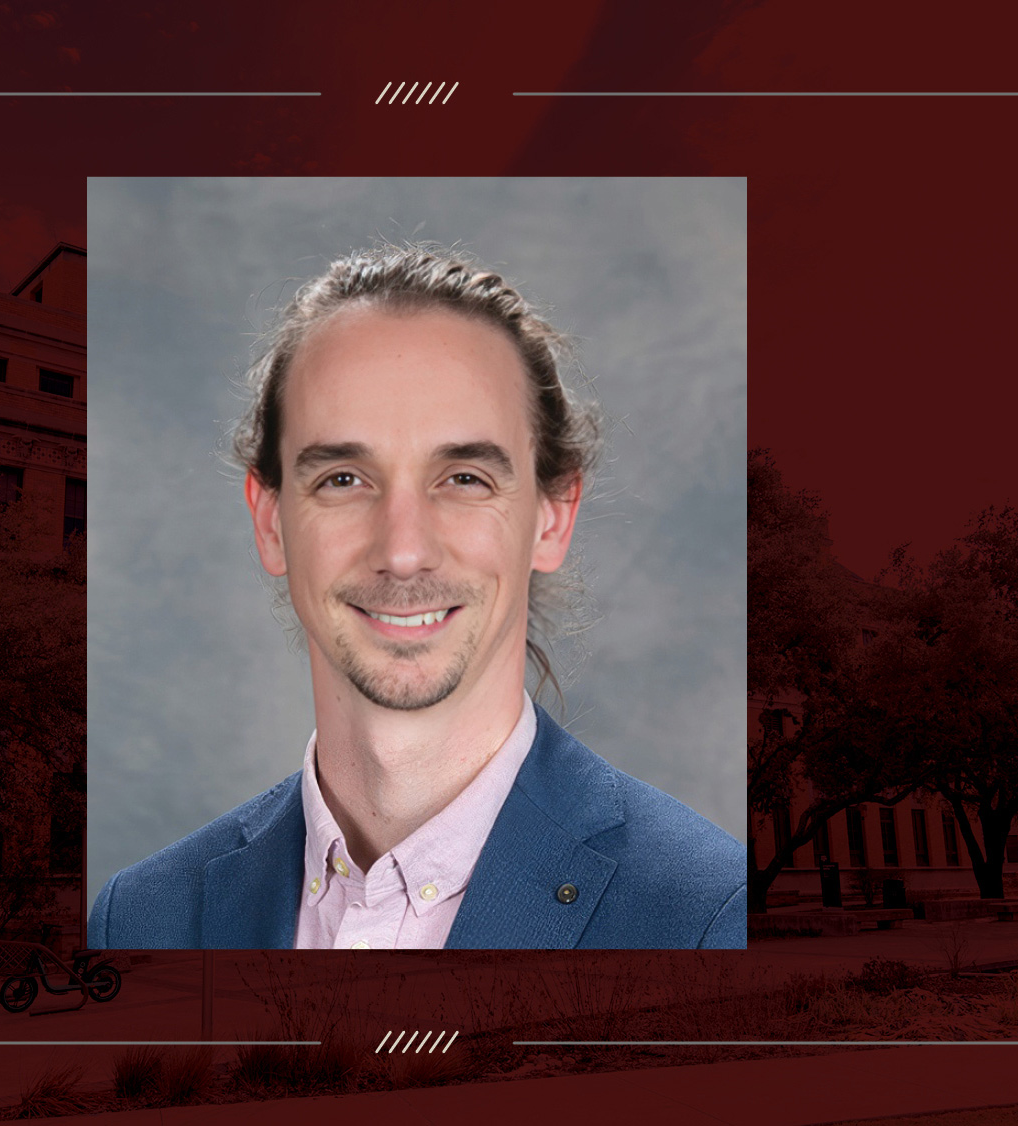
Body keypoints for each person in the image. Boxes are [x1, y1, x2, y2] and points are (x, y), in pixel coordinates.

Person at [89, 245, 746, 949]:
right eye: (343, 478)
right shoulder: (136, 919)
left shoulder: (707, 916)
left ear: (553, 517)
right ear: (270, 521)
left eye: (465, 478)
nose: (403, 552)